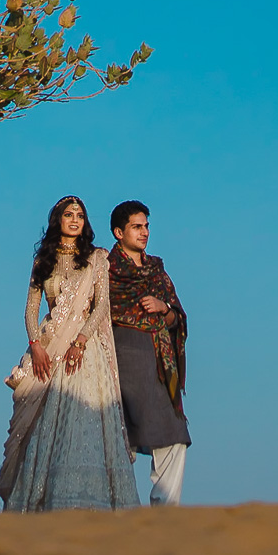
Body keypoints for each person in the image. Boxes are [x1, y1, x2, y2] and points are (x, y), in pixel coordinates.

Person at [0, 195, 139, 511]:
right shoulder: (43, 260)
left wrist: (80, 341)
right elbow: (31, 309)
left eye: (80, 215)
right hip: (49, 349)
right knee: (44, 422)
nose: (75, 219)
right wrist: (36, 347)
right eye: (68, 214)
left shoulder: (96, 258)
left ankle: (89, 500)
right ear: (57, 221)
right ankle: (42, 500)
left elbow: (101, 305)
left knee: (85, 419)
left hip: (84, 353)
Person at [108, 200, 191, 505]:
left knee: (174, 436)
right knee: (117, 439)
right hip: (121, 359)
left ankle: (163, 516)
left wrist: (163, 307)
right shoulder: (105, 269)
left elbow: (177, 317)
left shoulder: (156, 269)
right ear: (119, 232)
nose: (144, 233)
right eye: (136, 227)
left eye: (146, 226)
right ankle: (117, 508)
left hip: (159, 364)